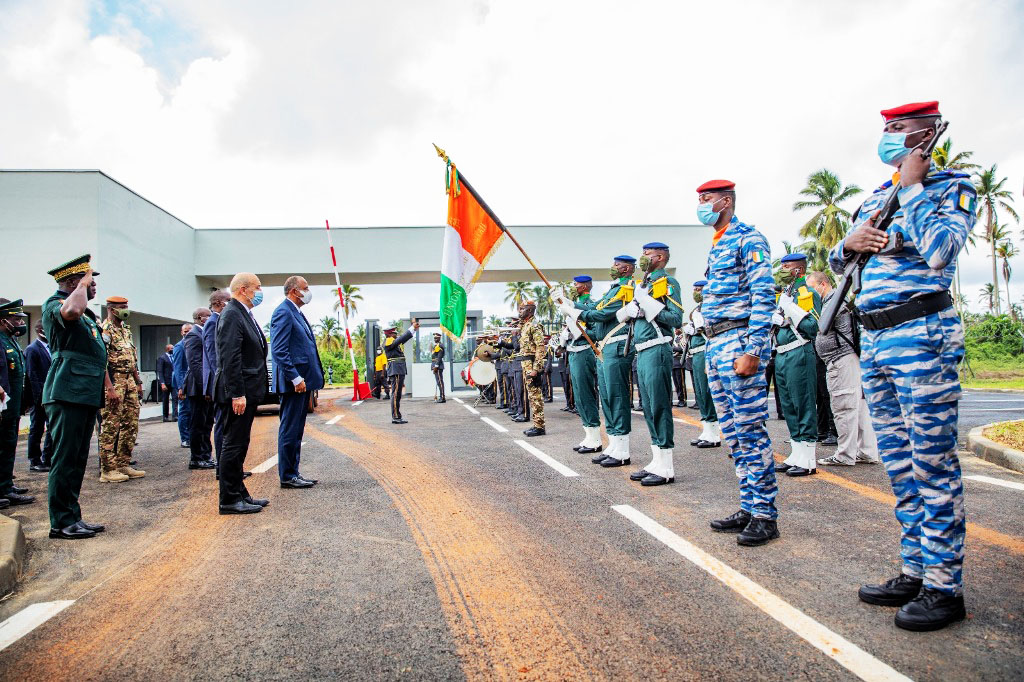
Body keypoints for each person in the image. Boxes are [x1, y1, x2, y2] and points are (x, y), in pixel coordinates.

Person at [831, 101, 975, 630]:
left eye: (900, 130)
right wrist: (846, 244)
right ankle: (916, 569)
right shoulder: (875, 195)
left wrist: (914, 187)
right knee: (899, 463)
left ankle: (945, 587)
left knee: (933, 463)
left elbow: (941, 252)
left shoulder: (951, 186)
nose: (889, 137)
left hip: (922, 333)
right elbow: (841, 260)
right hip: (878, 337)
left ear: (928, 135)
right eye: (886, 129)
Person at [697, 180, 779, 547]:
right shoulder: (717, 244)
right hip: (716, 343)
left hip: (739, 342)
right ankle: (749, 505)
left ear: (726, 201)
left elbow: (764, 295)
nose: (701, 205)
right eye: (699, 199)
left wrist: (754, 349)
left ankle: (765, 515)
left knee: (750, 431)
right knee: (732, 433)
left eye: (707, 199)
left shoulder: (748, 238)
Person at [41, 255, 108, 539]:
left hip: (83, 393)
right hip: (66, 392)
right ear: (73, 282)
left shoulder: (88, 315)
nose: (93, 288)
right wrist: (82, 284)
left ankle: (73, 516)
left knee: (78, 459)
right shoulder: (56, 304)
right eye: (90, 282)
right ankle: (60, 522)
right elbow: (71, 312)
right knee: (65, 458)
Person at [616, 243, 683, 486]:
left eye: (647, 254)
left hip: (657, 347)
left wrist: (648, 306)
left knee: (659, 406)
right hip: (642, 351)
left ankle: (666, 465)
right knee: (648, 407)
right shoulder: (643, 285)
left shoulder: (667, 284)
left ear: (660, 257)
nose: (642, 257)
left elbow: (676, 319)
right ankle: (657, 460)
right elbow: (622, 317)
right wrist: (633, 309)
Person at [562, 258, 637, 466]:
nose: (612, 268)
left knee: (616, 396)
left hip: (617, 344)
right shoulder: (613, 290)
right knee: (607, 396)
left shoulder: (626, 288)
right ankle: (614, 444)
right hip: (606, 347)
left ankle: (622, 449)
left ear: (627, 268)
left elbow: (600, 314)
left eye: (616, 265)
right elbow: (597, 307)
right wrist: (569, 303)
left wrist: (575, 311)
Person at [807, 271, 879, 467]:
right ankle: (866, 451)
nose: (810, 292)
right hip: (847, 359)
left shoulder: (835, 300)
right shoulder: (836, 300)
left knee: (844, 407)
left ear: (822, 285)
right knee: (858, 407)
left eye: (812, 288)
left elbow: (822, 326)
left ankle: (845, 454)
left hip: (841, 359)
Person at [213, 272, 270, 514]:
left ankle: (239, 493)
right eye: (257, 287)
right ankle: (229, 499)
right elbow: (230, 357)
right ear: (244, 289)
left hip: (248, 389)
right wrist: (237, 393)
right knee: (233, 445)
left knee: (240, 443)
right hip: (237, 392)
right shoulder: (232, 314)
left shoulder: (243, 313)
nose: (260, 292)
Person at [270, 276, 324, 489]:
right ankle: (288, 475)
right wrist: (295, 377)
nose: (308, 291)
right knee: (290, 429)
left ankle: (293, 472)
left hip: (302, 382)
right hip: (295, 383)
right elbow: (279, 350)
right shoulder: (283, 312)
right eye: (305, 288)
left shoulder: (295, 312)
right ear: (294, 291)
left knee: (296, 429)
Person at [772, 253, 821, 477]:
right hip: (782, 355)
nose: (781, 269)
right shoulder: (785, 294)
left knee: (803, 403)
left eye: (786, 266)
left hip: (799, 351)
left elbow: (813, 326)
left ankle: (808, 458)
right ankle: (796, 452)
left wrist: (791, 310)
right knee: (789, 405)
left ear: (798, 270)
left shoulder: (805, 292)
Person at [97, 295, 146, 482]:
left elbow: (131, 357)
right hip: (114, 380)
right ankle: (108, 470)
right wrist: (109, 387)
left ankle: (123, 463)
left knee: (130, 424)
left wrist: (138, 381)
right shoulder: (104, 330)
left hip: (129, 381)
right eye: (122, 306)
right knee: (111, 425)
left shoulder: (125, 329)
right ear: (111, 308)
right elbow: (101, 361)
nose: (126, 309)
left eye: (126, 305)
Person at [0, 299, 35, 508]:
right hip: (4, 407)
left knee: (9, 445)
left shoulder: (10, 340)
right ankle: (3, 488)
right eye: (16, 319)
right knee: (3, 446)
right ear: (4, 320)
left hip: (13, 407)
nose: (20, 323)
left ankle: (6, 485)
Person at [562, 277, 601, 453]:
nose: (574, 287)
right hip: (574, 352)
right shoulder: (575, 304)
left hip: (585, 351)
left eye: (576, 284)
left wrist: (578, 330)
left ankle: (595, 437)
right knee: (578, 396)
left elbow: (596, 332)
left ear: (585, 286)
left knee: (586, 394)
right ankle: (588, 434)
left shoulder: (590, 305)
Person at [684, 280, 721, 448]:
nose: (696, 291)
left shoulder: (713, 306)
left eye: (699, 289)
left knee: (707, 391)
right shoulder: (697, 309)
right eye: (695, 288)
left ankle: (714, 432)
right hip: (696, 353)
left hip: (705, 350)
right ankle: (707, 428)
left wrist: (701, 326)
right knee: (699, 392)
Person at [203, 290, 232, 466]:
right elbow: (214, 356)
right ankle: (223, 466)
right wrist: (222, 381)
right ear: (219, 303)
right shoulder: (213, 322)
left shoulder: (219, 320)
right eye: (228, 300)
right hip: (221, 384)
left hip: (223, 382)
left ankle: (228, 467)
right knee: (222, 425)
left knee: (228, 426)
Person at [184, 308, 215, 470]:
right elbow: (195, 364)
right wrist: (205, 389)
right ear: (201, 318)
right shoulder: (193, 335)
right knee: (198, 423)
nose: (211, 318)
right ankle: (196, 458)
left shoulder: (203, 333)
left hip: (206, 388)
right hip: (198, 388)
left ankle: (206, 455)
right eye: (208, 316)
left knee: (207, 423)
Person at [514, 302, 547, 437]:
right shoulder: (525, 325)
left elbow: (540, 347)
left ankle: (539, 426)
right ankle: (536, 424)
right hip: (526, 363)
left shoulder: (534, 325)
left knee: (535, 396)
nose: (520, 311)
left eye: (522, 309)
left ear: (530, 311)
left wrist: (536, 368)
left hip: (532, 363)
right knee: (531, 396)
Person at [25, 321, 54, 471]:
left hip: (51, 396)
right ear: (40, 331)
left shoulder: (52, 348)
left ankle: (47, 458)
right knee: (36, 428)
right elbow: (32, 376)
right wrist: (39, 399)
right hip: (39, 398)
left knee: (52, 427)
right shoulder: (32, 349)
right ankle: (34, 461)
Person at [383, 321, 419, 424]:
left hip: (398, 369)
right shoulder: (388, 341)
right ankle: (395, 416)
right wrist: (412, 328)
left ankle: (397, 415)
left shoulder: (393, 343)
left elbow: (403, 339)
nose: (396, 335)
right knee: (395, 394)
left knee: (397, 394)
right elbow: (401, 338)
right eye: (394, 333)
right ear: (390, 334)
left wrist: (414, 330)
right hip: (396, 369)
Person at [171, 323, 192, 448]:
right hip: (183, 384)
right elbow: (178, 368)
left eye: (189, 330)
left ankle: (190, 436)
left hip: (191, 383)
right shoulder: (179, 346)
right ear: (181, 332)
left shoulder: (192, 343)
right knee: (184, 411)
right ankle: (184, 438)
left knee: (191, 411)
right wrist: (180, 387)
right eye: (185, 331)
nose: (187, 332)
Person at [156, 343, 175, 422]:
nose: (173, 350)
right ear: (167, 349)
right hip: (166, 382)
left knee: (175, 399)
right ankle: (165, 416)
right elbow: (160, 371)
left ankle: (175, 416)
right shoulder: (162, 358)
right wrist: (162, 383)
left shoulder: (174, 357)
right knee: (166, 400)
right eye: (171, 349)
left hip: (174, 382)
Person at [671, 328, 686, 407]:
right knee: (676, 383)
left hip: (679, 362)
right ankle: (679, 399)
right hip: (673, 363)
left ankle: (682, 400)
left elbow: (682, 349)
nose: (676, 330)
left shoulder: (682, 337)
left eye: (677, 329)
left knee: (681, 384)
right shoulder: (674, 338)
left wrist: (672, 348)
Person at [430, 332, 447, 403]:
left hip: (438, 366)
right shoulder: (435, 345)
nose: (435, 339)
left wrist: (436, 366)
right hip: (435, 365)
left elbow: (439, 357)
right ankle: (441, 396)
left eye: (436, 338)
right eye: (434, 338)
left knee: (440, 382)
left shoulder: (440, 345)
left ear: (439, 338)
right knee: (438, 382)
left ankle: (442, 397)